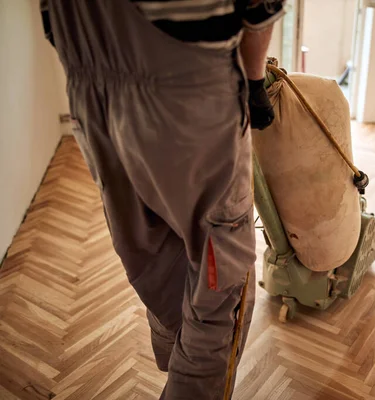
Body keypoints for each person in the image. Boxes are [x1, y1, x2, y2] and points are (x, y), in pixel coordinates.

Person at [39, 1, 284, 399]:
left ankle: (180, 366)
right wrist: (254, 81)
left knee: (153, 255)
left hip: (87, 79)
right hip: (186, 86)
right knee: (220, 276)